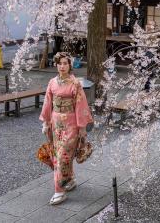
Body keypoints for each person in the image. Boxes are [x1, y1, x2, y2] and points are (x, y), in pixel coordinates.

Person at [39, 52, 93, 205]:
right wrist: (45, 122)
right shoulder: (52, 82)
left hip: (71, 124)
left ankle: (59, 190)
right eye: (59, 63)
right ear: (56, 65)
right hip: (56, 124)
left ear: (70, 65)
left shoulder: (75, 83)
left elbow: (81, 105)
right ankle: (69, 180)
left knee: (63, 156)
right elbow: (48, 103)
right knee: (58, 154)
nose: (62, 66)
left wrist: (82, 127)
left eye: (65, 63)